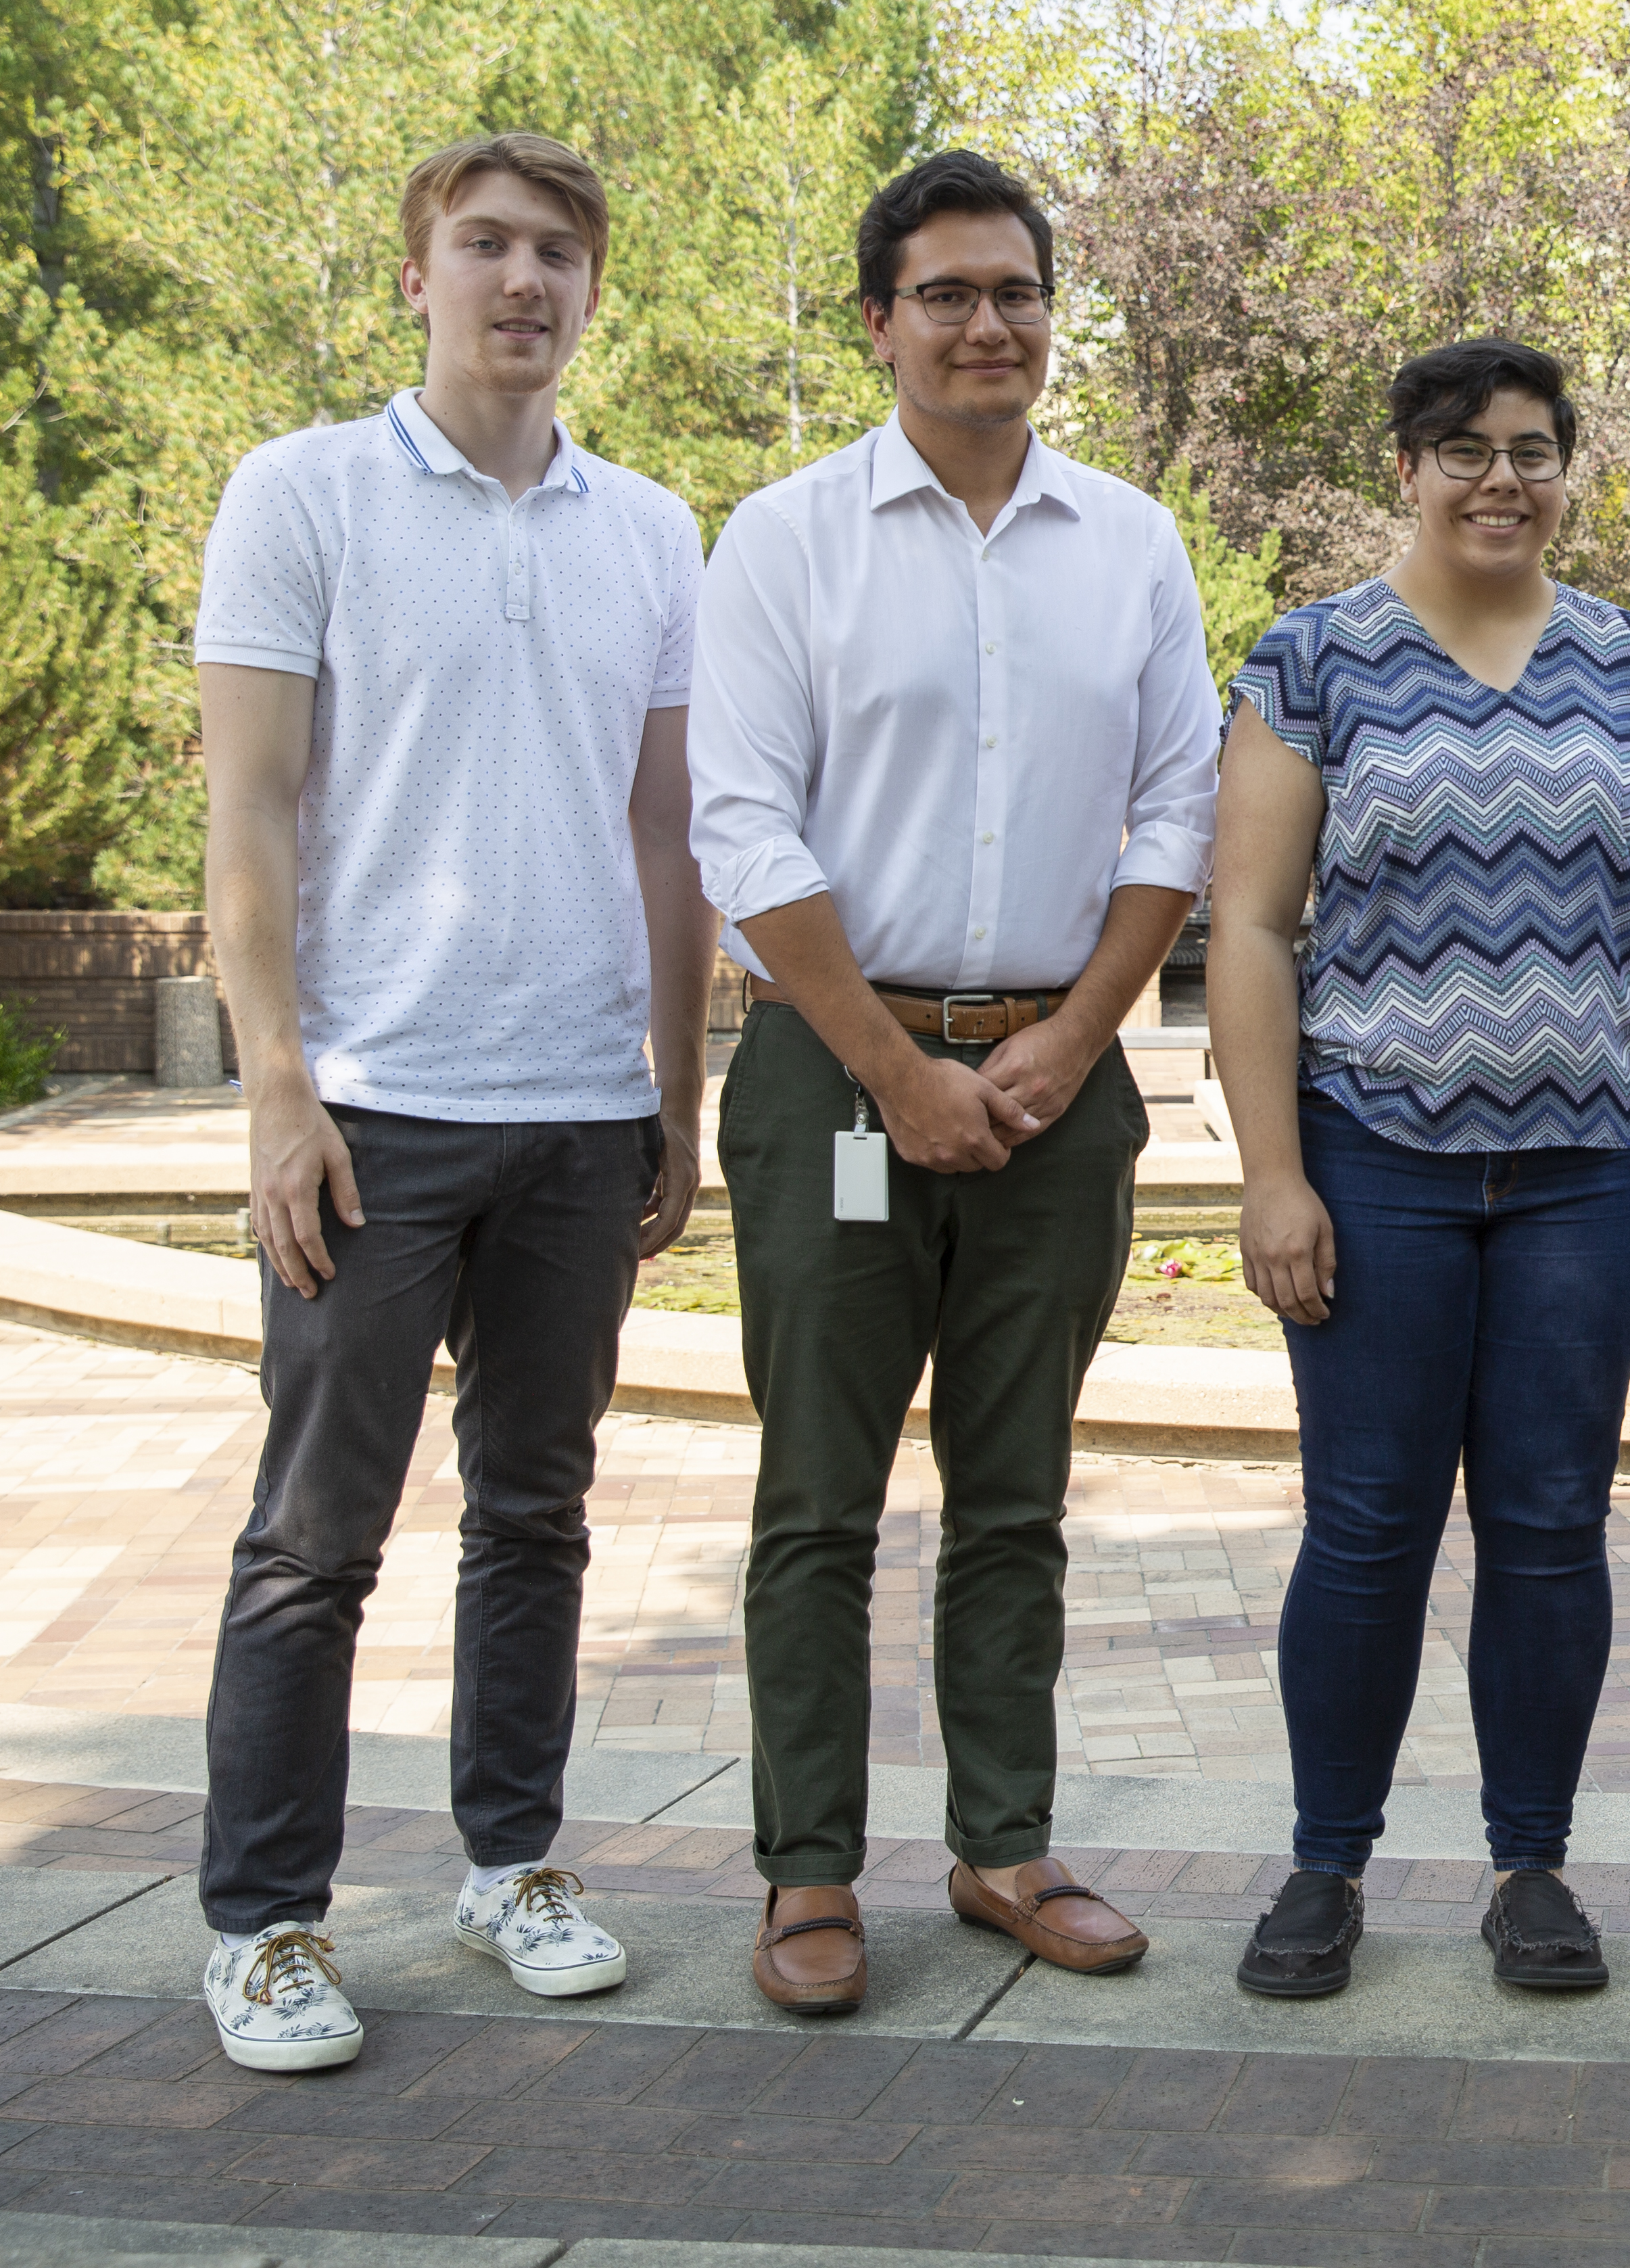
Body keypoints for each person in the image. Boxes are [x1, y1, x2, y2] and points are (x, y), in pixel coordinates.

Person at [190, 133, 711, 2073]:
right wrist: (275, 1088)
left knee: (541, 1511)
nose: (522, 278)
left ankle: (511, 1864)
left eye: (558, 251)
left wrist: (675, 1090)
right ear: (415, 273)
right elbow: (247, 807)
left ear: (592, 289)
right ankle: (263, 1923)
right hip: (373, 1109)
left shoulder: (653, 530)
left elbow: (670, 834)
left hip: (578, 1111)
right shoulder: (303, 493)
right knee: (315, 1534)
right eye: (484, 244)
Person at [690, 149, 1220, 2016]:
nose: (987, 324)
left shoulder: (1132, 545)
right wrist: (896, 1072)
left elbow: (1182, 808)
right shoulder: (782, 541)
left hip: (1061, 1088)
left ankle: (1004, 1845)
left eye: (1016, 291)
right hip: (840, 1082)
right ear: (877, 324)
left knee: (1016, 1497)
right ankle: (809, 1875)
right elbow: (738, 830)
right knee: (819, 1497)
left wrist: (1074, 1039)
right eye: (947, 295)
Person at [1209, 337, 1630, 2002]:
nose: (1502, 477)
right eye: (1464, 448)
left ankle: (1532, 1869)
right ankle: (1324, 1867)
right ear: (1406, 468)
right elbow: (1255, 930)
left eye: (1534, 448)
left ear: (1571, 467)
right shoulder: (1317, 660)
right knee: (1365, 1527)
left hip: (1590, 1169)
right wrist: (1273, 1175)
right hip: (1379, 1161)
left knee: (1554, 1525)